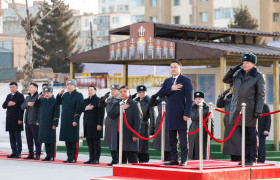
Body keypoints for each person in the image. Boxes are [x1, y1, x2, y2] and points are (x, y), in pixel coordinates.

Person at [223, 53, 265, 165]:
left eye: (247, 63)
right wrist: (234, 68)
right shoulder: (238, 74)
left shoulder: (258, 76)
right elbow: (225, 79)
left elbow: (261, 95)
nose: (244, 65)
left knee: (251, 135)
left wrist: (258, 111)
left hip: (250, 110)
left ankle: (252, 159)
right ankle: (245, 158)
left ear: (253, 64)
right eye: (243, 63)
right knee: (243, 136)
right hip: (237, 110)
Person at [158, 60, 193, 166]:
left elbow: (190, 99)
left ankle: (184, 159)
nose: (173, 69)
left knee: (183, 139)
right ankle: (174, 159)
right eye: (171, 67)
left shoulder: (186, 80)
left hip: (181, 113)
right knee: (172, 139)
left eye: (175, 67)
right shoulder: (167, 81)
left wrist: (187, 113)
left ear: (180, 68)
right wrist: (171, 89)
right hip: (170, 113)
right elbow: (160, 94)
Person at [107, 85, 141, 164]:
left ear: (129, 92)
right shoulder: (117, 103)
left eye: (125, 92)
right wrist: (121, 108)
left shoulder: (134, 104)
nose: (122, 93)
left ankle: (134, 174)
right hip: (118, 134)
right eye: (121, 92)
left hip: (129, 134)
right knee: (121, 157)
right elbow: (110, 115)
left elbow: (137, 121)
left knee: (132, 156)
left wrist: (135, 134)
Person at [56, 79, 84, 163]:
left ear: (75, 86)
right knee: (67, 140)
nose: (69, 86)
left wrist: (76, 119)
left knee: (73, 140)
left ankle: (73, 157)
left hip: (73, 120)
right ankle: (69, 157)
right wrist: (59, 95)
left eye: (71, 85)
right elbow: (58, 103)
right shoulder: (64, 95)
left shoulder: (78, 95)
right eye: (68, 85)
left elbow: (79, 109)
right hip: (65, 120)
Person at [98, 84, 121, 166]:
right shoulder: (109, 99)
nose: (113, 91)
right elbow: (100, 106)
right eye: (112, 90)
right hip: (109, 122)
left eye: (115, 90)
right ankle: (113, 159)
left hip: (116, 123)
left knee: (116, 142)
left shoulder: (120, 100)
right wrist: (102, 99)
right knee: (110, 142)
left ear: (119, 91)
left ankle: (118, 159)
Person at [216, 86, 241, 161]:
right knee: (231, 143)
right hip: (228, 123)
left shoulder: (241, 97)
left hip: (238, 123)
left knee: (238, 143)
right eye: (232, 88)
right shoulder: (228, 98)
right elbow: (219, 104)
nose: (234, 89)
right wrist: (222, 95)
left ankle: (240, 159)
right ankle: (233, 159)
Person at [35, 86, 60, 161]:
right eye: (45, 93)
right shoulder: (42, 100)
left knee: (51, 141)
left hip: (51, 123)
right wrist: (38, 98)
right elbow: (36, 106)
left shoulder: (55, 101)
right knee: (45, 140)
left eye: (48, 93)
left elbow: (57, 113)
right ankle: (47, 155)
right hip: (43, 123)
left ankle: (52, 156)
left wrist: (55, 124)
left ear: (52, 93)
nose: (47, 94)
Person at [82, 86, 105, 164]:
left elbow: (101, 113)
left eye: (91, 90)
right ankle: (91, 158)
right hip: (87, 125)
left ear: (95, 91)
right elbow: (80, 109)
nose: (90, 91)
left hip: (95, 125)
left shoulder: (99, 100)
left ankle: (96, 159)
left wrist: (100, 124)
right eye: (89, 90)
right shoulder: (85, 100)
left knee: (96, 143)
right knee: (90, 143)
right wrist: (86, 108)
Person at [188, 91, 214, 160]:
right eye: (196, 99)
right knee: (192, 148)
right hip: (193, 130)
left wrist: (211, 135)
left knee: (201, 150)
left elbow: (211, 122)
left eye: (199, 99)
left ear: (203, 99)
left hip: (203, 131)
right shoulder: (192, 108)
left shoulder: (207, 108)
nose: (197, 101)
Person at [2, 82, 24, 158]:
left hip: (17, 119)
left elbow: (21, 109)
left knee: (17, 136)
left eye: (13, 87)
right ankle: (14, 152)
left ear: (17, 87)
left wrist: (20, 119)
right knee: (11, 137)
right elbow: (3, 105)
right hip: (9, 119)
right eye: (10, 87)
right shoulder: (9, 96)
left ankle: (19, 152)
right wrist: (8, 103)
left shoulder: (20, 96)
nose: (12, 88)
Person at [134, 85, 155, 163]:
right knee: (136, 145)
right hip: (135, 126)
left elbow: (152, 116)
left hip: (144, 126)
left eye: (143, 92)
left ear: (146, 92)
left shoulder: (149, 101)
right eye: (139, 92)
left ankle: (144, 161)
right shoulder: (135, 101)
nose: (141, 94)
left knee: (143, 146)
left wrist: (152, 129)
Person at [21, 83, 41, 160]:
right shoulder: (28, 97)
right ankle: (31, 153)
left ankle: (38, 154)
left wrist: (38, 120)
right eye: (29, 87)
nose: (29, 88)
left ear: (36, 88)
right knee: (29, 139)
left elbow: (40, 110)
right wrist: (28, 104)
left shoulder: (38, 97)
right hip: (27, 121)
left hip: (34, 122)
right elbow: (22, 107)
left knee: (36, 139)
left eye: (31, 87)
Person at [150, 93, 171, 161]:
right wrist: (156, 94)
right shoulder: (160, 99)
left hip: (169, 121)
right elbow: (151, 103)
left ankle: (170, 159)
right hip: (160, 122)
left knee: (169, 144)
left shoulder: (173, 97)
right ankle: (164, 159)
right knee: (162, 144)